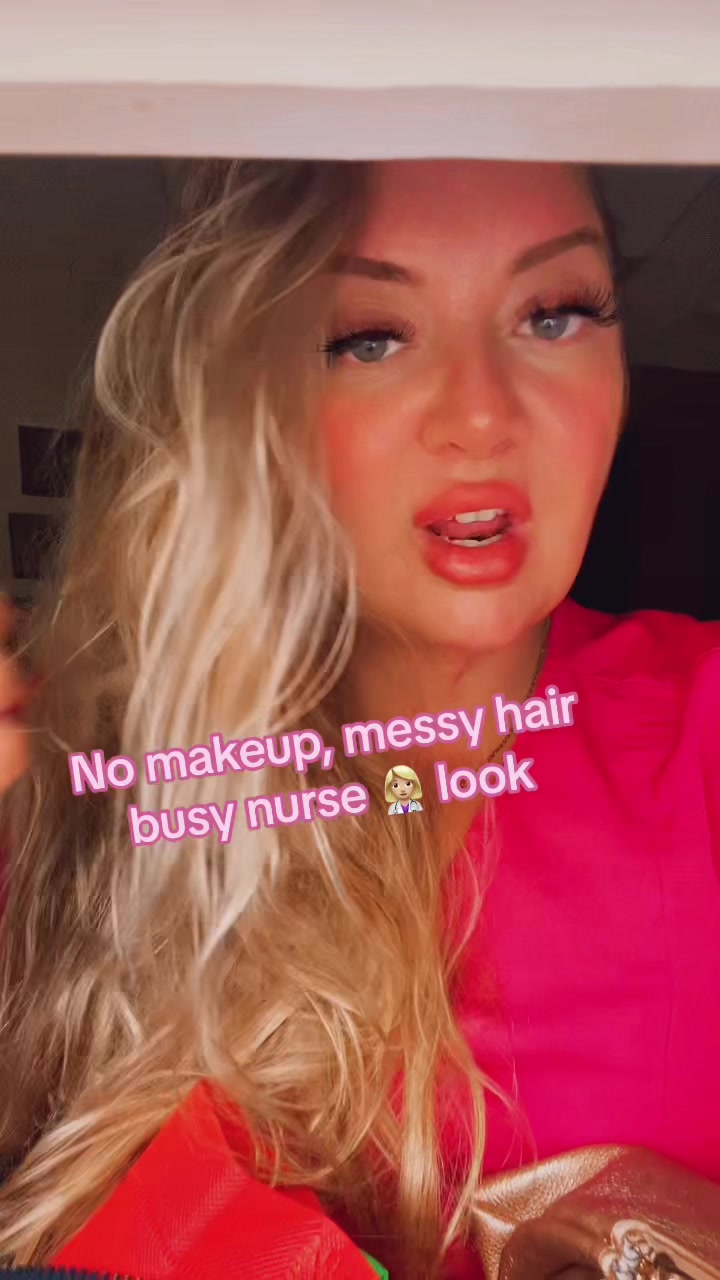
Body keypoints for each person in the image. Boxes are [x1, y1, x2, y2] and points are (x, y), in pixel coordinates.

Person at [0, 157, 718, 1280]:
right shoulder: (86, 780)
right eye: (369, 337)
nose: (482, 415)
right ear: (249, 402)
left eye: (555, 314)